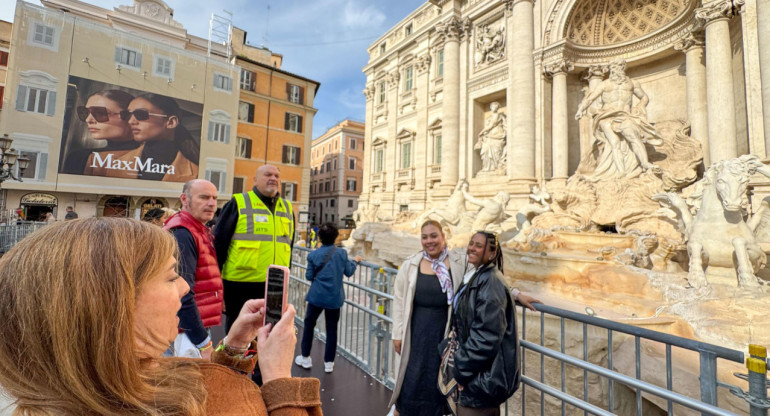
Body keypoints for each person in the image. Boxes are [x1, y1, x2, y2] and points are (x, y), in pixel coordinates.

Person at [0, 218, 322, 415]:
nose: (184, 287)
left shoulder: (107, 382)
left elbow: (201, 381)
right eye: (171, 277)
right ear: (112, 305)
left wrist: (235, 347)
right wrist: (279, 377)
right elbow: (215, 393)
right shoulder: (229, 407)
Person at [214, 164, 295, 383]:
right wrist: (217, 287)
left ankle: (261, 381)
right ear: (255, 180)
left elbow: (290, 246)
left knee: (269, 335)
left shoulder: (287, 208)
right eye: (268, 175)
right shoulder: (239, 202)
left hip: (275, 285)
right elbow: (218, 245)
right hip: (239, 284)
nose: (273, 179)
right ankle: (233, 380)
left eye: (277, 176)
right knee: (239, 336)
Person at [452, 231, 525, 415]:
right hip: (478, 377)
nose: (472, 248)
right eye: (471, 243)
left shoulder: (490, 281)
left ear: (492, 254)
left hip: (480, 383)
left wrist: (461, 371)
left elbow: (486, 337)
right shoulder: (478, 275)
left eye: (478, 245)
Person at [575, 58, 662, 181]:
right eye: (614, 67)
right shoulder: (604, 84)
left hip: (625, 115)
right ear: (611, 69)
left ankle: (645, 163)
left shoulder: (632, 83)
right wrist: (581, 109)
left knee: (633, 137)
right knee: (614, 143)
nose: (617, 69)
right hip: (606, 116)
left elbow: (644, 97)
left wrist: (640, 106)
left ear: (623, 68)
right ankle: (621, 172)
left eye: (620, 66)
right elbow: (590, 99)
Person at [164, 179, 223, 359]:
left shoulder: (194, 229)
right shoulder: (183, 233)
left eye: (214, 198)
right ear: (184, 199)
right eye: (204, 197)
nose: (212, 203)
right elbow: (182, 292)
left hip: (189, 327)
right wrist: (203, 343)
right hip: (185, 332)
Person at [295, 223, 363, 373]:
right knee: (332, 329)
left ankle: (305, 358)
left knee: (309, 325)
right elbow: (349, 271)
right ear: (335, 237)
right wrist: (356, 261)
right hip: (334, 298)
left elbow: (308, 276)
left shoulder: (313, 255)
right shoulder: (341, 254)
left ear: (319, 238)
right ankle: (329, 363)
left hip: (316, 297)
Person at [125, 93, 199, 182]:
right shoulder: (109, 160)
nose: (130, 121)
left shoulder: (197, 173)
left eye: (141, 114)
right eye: (127, 114)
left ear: (171, 122)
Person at [78, 89, 142, 178]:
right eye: (85, 113)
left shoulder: (148, 156)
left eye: (100, 113)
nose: (88, 120)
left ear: (129, 116)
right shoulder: (81, 157)